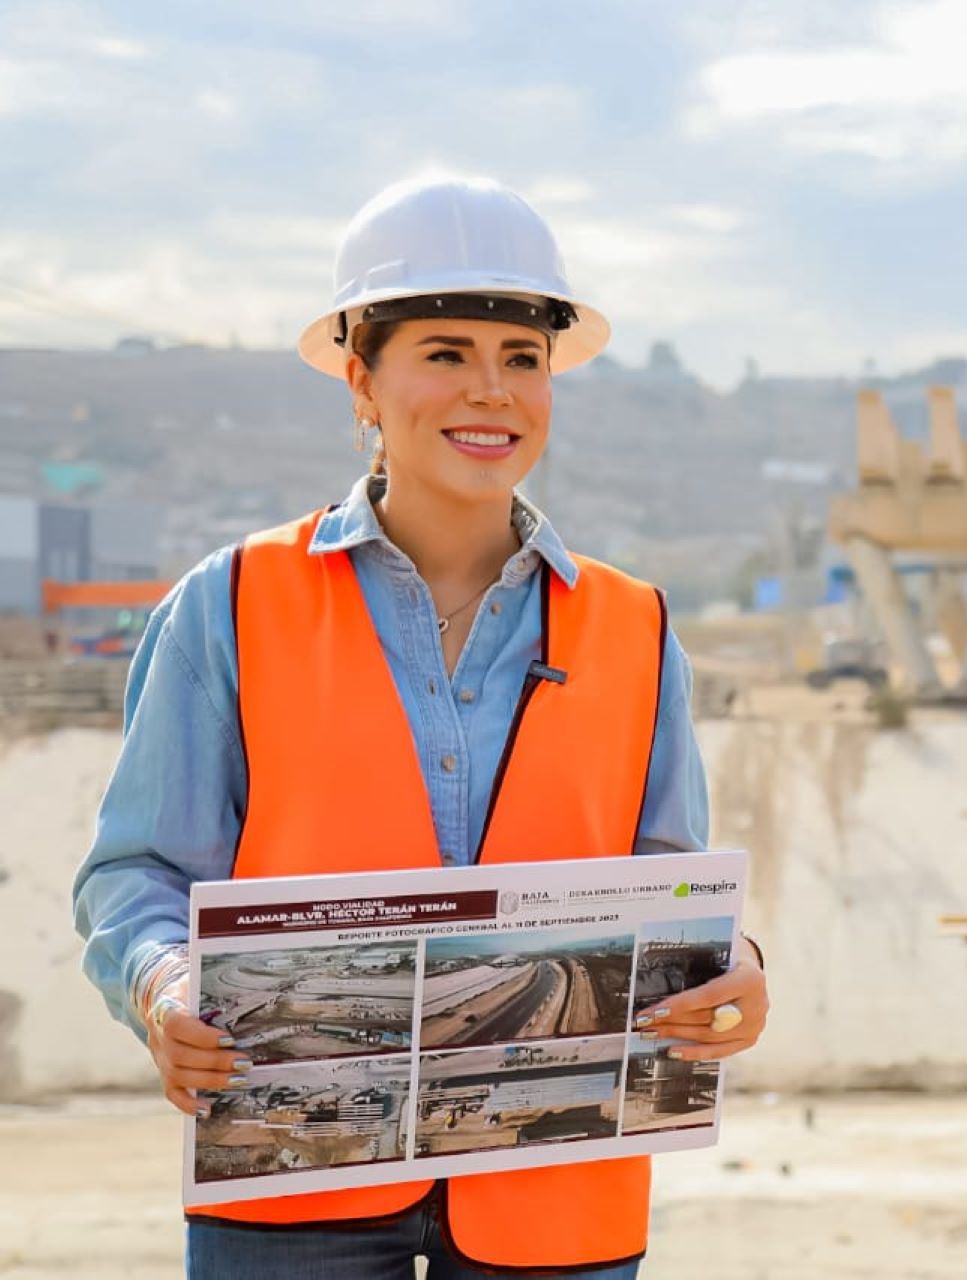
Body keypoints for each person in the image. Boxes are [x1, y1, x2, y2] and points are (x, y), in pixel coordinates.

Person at [71, 175, 770, 1279]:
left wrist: (732, 966)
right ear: (362, 378)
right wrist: (163, 986)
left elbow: (669, 883)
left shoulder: (635, 626)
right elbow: (137, 869)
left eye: (522, 359)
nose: (491, 392)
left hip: (560, 1201)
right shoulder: (230, 604)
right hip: (296, 1182)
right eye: (445, 352)